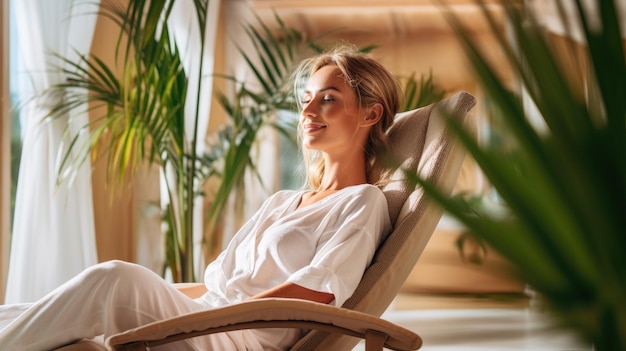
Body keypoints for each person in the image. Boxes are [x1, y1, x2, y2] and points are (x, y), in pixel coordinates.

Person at [0, 44, 402, 351]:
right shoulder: (282, 201)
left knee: (115, 278)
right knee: (31, 312)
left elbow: (318, 292)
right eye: (306, 99)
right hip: (211, 318)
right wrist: (165, 299)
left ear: (369, 114)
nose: (308, 110)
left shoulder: (362, 202)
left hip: (236, 338)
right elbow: (217, 285)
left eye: (327, 98)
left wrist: (210, 316)